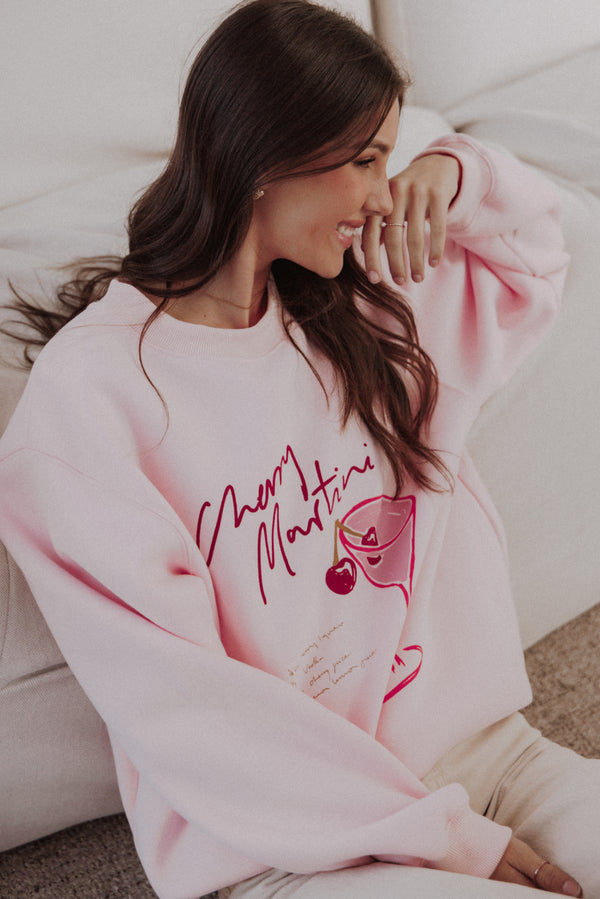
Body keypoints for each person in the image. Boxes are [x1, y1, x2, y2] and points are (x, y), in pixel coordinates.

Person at [0, 1, 597, 896]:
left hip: (493, 760)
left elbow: (536, 254)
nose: (382, 196)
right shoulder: (89, 403)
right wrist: (441, 838)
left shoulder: (364, 306)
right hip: (296, 846)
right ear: (265, 159)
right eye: (365, 161)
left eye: (387, 160)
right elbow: (188, 709)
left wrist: (456, 172)